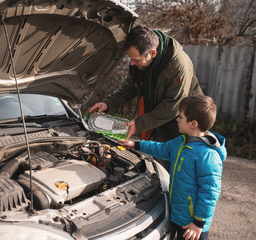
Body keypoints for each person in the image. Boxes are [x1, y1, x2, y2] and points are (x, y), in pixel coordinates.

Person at [119, 95, 227, 240]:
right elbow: (161, 148)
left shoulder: (207, 155)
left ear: (193, 124)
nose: (177, 119)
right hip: (177, 215)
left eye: (180, 117)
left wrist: (198, 223)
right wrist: (136, 145)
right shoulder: (181, 142)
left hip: (192, 225)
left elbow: (209, 193)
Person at [88, 25, 203, 144]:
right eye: (130, 59)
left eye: (136, 60)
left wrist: (139, 124)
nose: (132, 63)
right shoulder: (140, 62)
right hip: (158, 122)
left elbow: (172, 106)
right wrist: (107, 104)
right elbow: (129, 89)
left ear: (153, 53)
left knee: (178, 160)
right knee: (157, 157)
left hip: (185, 126)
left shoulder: (178, 66)